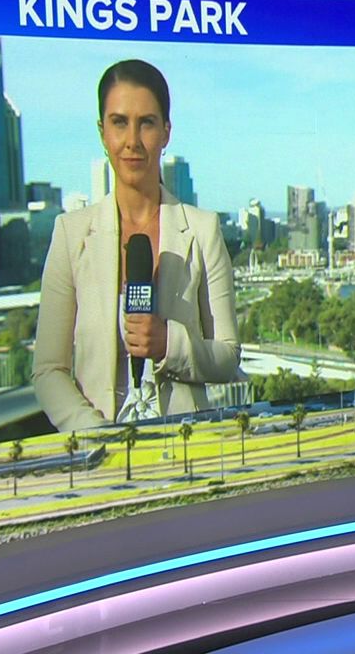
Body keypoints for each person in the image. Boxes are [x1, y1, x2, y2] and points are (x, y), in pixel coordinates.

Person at [33, 59, 241, 432]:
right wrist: (97, 436)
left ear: (166, 132)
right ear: (102, 132)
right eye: (119, 122)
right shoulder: (70, 234)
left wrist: (168, 344)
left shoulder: (203, 230)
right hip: (99, 450)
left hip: (186, 444)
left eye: (146, 123)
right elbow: (49, 370)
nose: (132, 141)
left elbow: (227, 356)